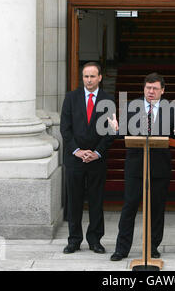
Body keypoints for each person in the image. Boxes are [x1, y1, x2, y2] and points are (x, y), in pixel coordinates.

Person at [108, 73, 175, 261]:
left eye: (155, 88)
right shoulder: (131, 107)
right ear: (143, 88)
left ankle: (152, 247)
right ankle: (122, 248)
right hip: (136, 167)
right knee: (129, 207)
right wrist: (116, 130)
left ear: (163, 90)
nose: (151, 92)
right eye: (148, 88)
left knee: (157, 209)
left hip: (160, 167)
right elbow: (123, 136)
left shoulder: (172, 110)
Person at [60, 62, 114, 254]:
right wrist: (77, 151)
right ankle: (74, 240)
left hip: (97, 160)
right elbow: (65, 128)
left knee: (96, 201)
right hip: (75, 159)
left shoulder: (108, 100)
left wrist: (96, 152)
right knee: (74, 201)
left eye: (92, 76)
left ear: (100, 77)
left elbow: (110, 131)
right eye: (86, 76)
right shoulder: (71, 98)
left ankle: (95, 240)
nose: (89, 80)